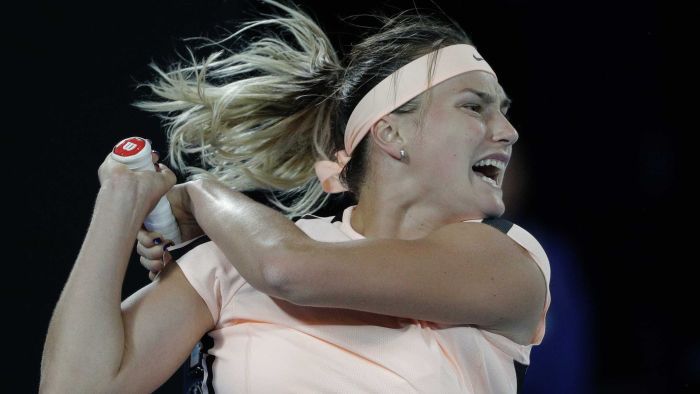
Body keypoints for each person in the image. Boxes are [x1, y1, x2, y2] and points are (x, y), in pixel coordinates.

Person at [40, 1, 551, 392]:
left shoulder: (510, 260)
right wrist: (120, 202)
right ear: (391, 134)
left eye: (502, 111)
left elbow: (288, 269)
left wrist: (199, 195)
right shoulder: (232, 258)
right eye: (475, 106)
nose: (507, 131)